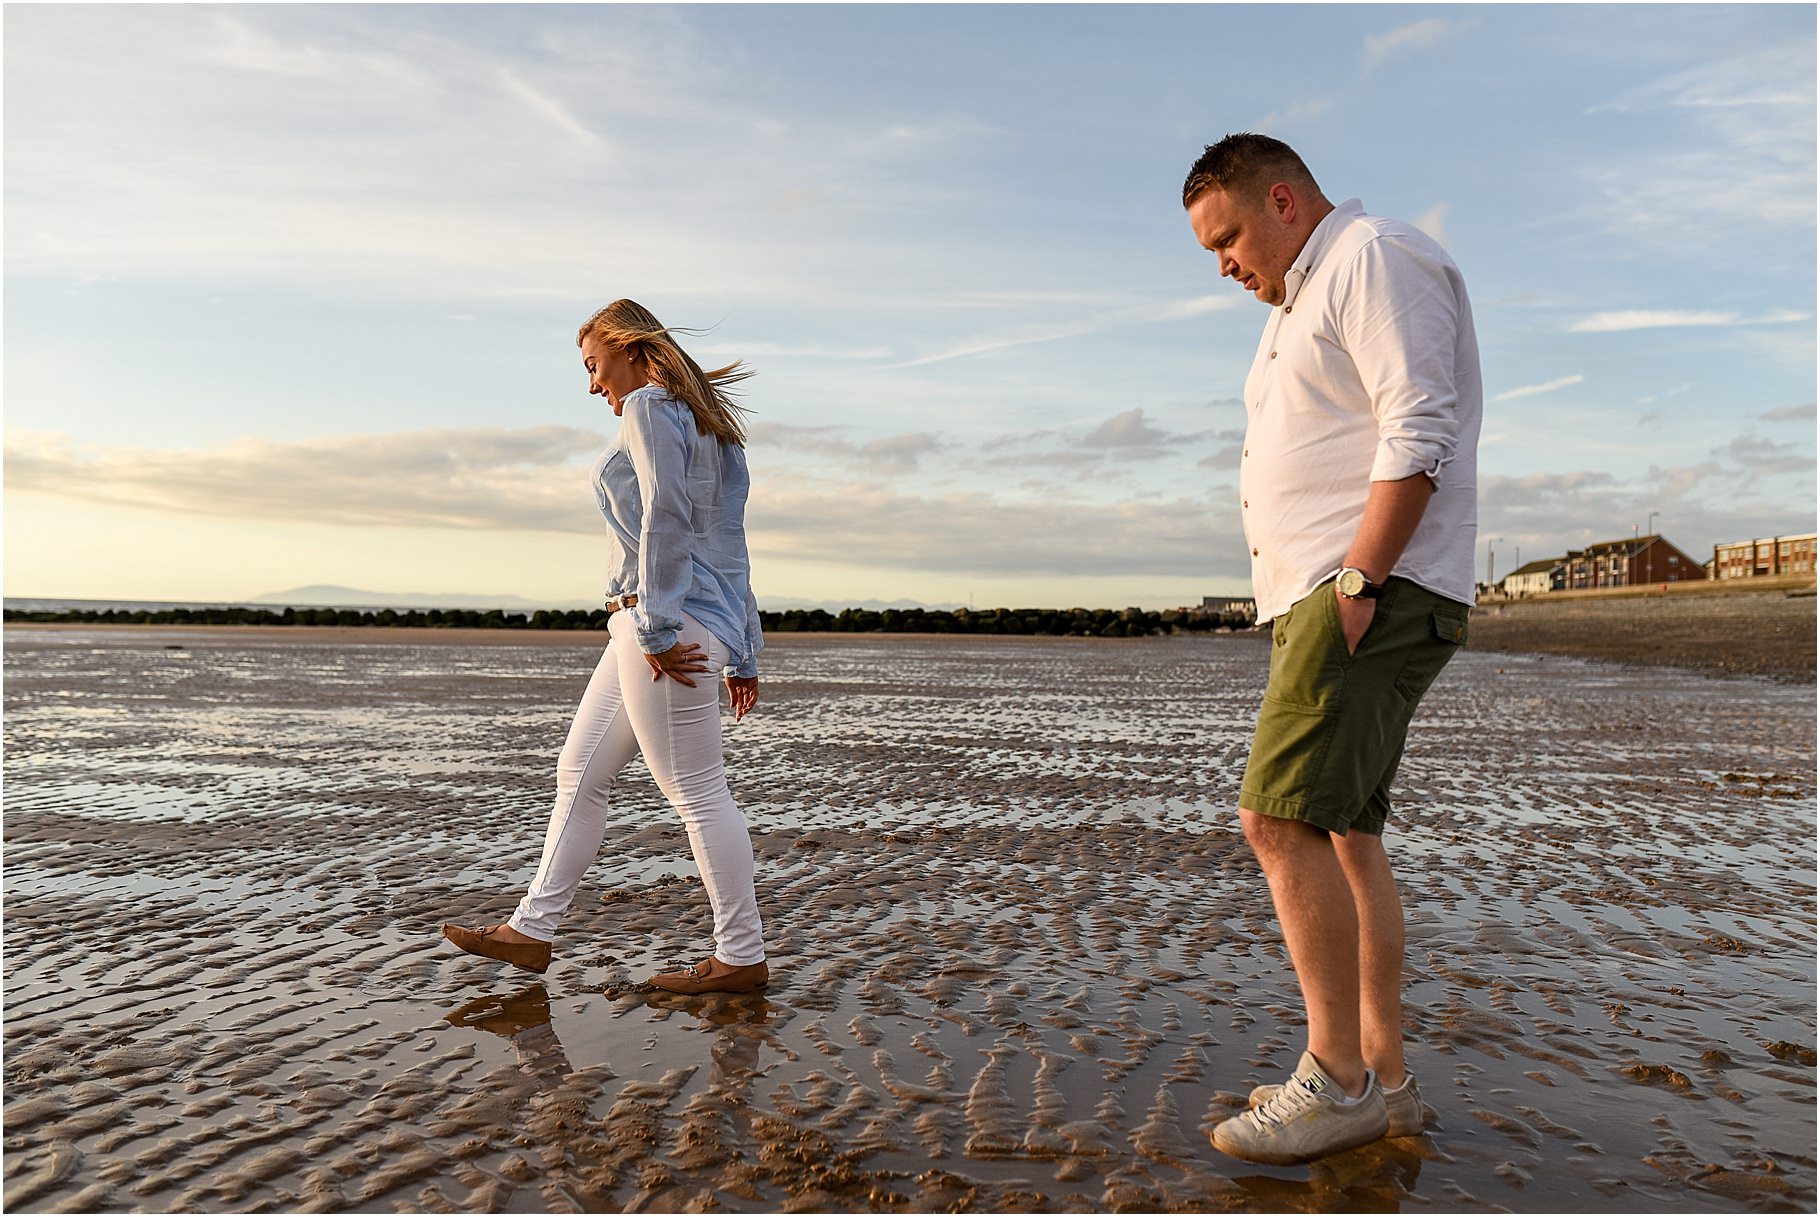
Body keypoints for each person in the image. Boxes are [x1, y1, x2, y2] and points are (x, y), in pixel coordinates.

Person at [1181, 134, 1481, 1165]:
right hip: (1343, 592)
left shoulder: (1368, 256)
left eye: (1227, 238)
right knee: (1346, 833)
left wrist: (1357, 577)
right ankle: (1380, 1074)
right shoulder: (1305, 292)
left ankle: (1336, 1080)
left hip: (1362, 590)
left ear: (1281, 200)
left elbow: (1419, 422)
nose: (1223, 264)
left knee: (1275, 818)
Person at [443, 298, 770, 996]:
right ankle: (531, 931)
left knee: (697, 792)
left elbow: (668, 516)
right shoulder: (716, 428)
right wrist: (743, 647)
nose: (593, 384)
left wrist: (655, 627)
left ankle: (741, 955)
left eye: (593, 365)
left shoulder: (649, 409)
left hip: (663, 624)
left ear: (628, 347)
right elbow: (731, 548)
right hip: (666, 623)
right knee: (580, 772)